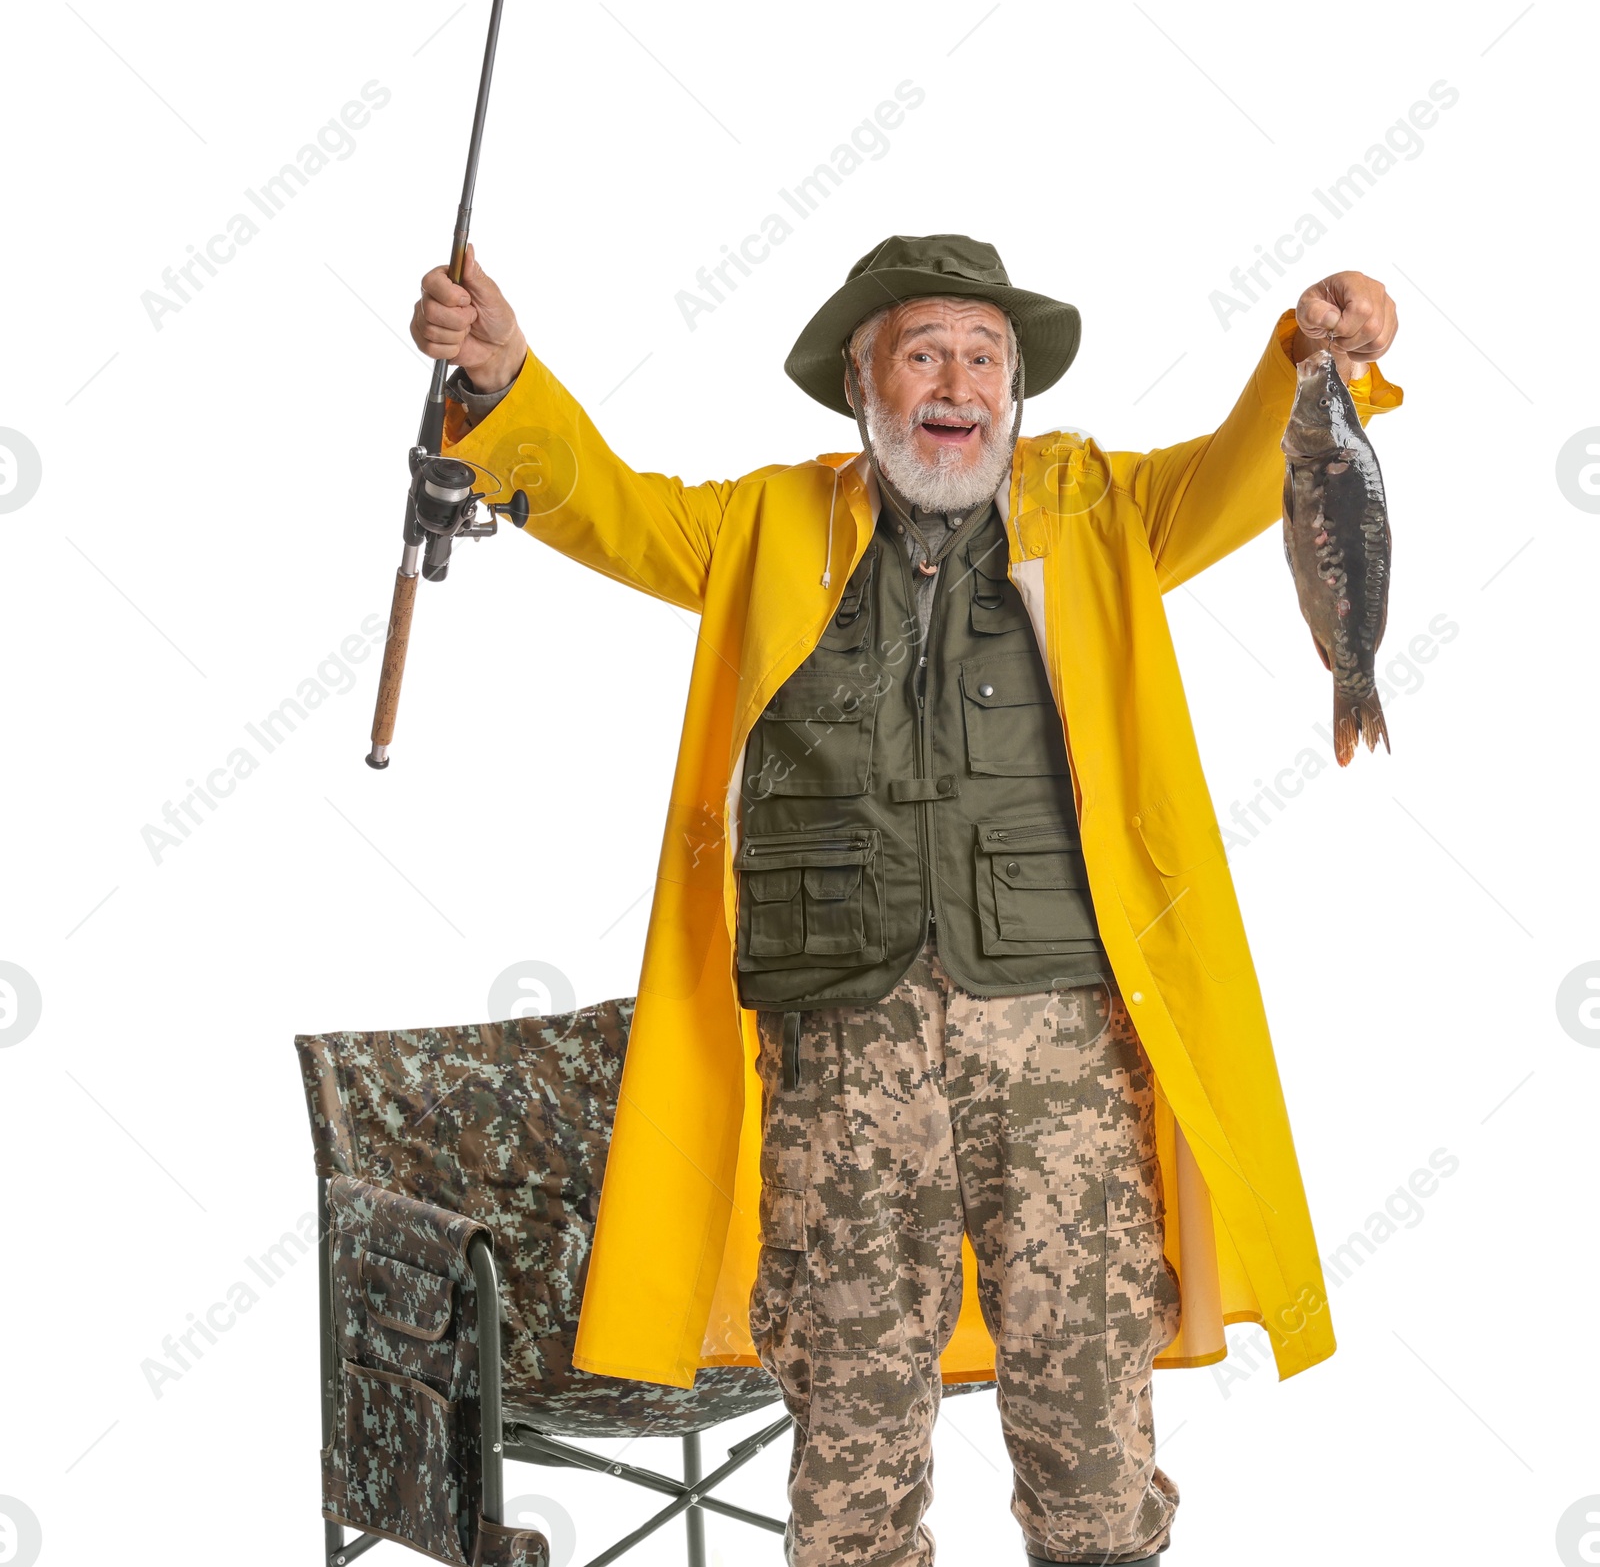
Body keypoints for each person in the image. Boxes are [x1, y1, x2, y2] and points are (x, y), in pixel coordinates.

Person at [410, 234, 1402, 1566]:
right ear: (861, 386)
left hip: (1060, 1046)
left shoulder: (1097, 508)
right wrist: (505, 372)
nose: (960, 380)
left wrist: (1314, 351)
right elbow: (609, 507)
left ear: (1016, 391)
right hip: (837, 1050)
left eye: (985, 355)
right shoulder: (765, 522)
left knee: (1090, 1405)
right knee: (851, 1426)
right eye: (924, 352)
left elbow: (1246, 475)